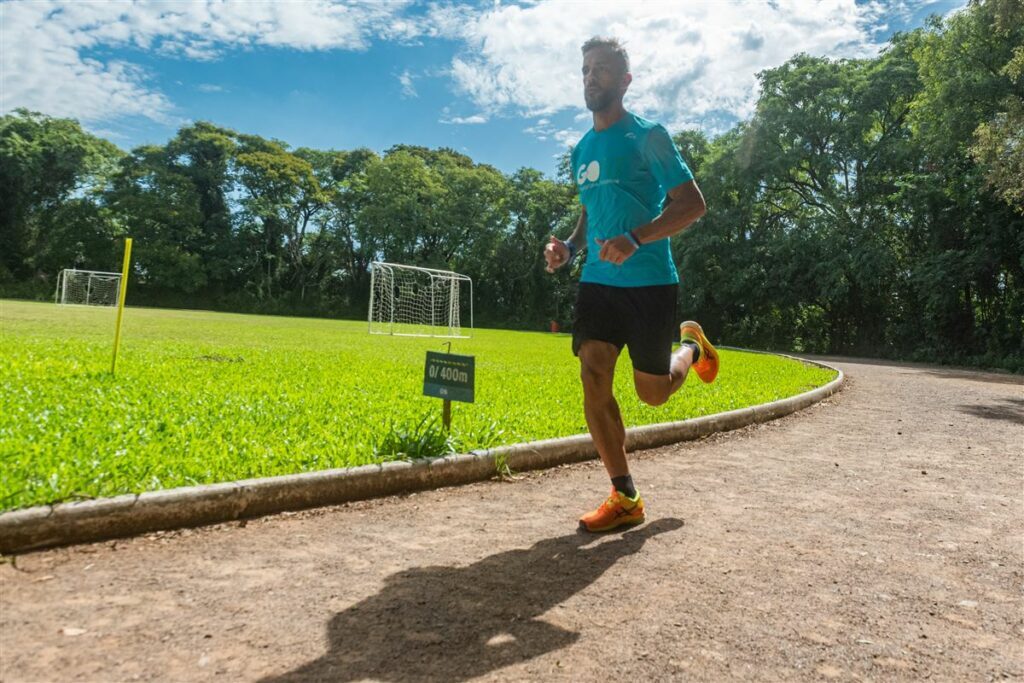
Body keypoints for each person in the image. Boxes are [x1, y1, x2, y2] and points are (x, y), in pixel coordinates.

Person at [544, 36, 719, 533]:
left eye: (600, 69)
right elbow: (589, 213)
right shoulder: (581, 148)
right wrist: (570, 249)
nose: (590, 77)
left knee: (654, 395)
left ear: (624, 81)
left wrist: (636, 238)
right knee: (593, 373)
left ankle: (690, 348)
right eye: (584, 69)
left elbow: (691, 204)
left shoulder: (649, 136)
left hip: (649, 283)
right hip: (597, 282)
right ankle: (625, 496)